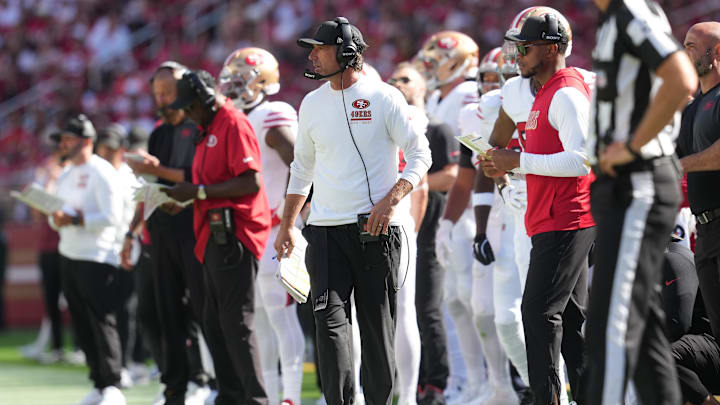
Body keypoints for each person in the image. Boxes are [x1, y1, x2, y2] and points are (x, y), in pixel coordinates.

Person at [273, 17, 431, 405]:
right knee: (328, 326)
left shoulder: (385, 96)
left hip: (376, 231)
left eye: (318, 48)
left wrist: (391, 201)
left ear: (346, 53)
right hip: (325, 232)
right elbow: (301, 169)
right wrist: (287, 225)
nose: (311, 56)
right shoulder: (310, 103)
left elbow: (419, 154)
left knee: (377, 331)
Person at [584, 0, 698, 403]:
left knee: (609, 324)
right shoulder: (614, 16)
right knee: (644, 329)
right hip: (627, 185)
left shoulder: (629, 8)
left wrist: (634, 145)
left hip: (640, 181)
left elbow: (681, 78)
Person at [481, 13, 596, 404]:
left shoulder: (565, 92)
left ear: (550, 49)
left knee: (538, 314)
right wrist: (505, 162)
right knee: (574, 322)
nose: (518, 55)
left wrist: (519, 162)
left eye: (526, 48)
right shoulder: (542, 91)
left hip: (566, 216)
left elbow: (582, 160)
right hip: (552, 215)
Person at [163, 69, 271, 405]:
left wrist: (197, 192)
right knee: (213, 321)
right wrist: (189, 197)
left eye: (191, 106)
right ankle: (230, 396)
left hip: (235, 233)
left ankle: (255, 400)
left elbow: (250, 181)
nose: (188, 113)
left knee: (236, 322)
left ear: (206, 100)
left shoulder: (233, 122)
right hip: (212, 233)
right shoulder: (207, 126)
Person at [218, 46, 305, 405]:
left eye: (241, 80)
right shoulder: (235, 118)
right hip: (250, 232)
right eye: (231, 81)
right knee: (261, 321)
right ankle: (268, 396)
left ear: (263, 81)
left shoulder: (273, 113)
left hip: (275, 227)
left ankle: (292, 397)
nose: (233, 88)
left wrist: (293, 219)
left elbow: (300, 166)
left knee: (280, 316)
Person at [122, 61, 211, 405]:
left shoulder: (199, 127)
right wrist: (133, 232)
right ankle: (175, 386)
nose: (162, 99)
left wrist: (157, 170)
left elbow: (196, 177)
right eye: (158, 93)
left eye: (168, 92)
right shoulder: (159, 132)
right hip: (160, 231)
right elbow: (153, 185)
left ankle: (205, 380)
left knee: (201, 310)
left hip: (194, 229)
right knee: (165, 311)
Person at [418, 30, 487, 404]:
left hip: (467, 206)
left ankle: (482, 381)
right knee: (451, 303)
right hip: (443, 212)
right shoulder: (437, 96)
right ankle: (464, 381)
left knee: (469, 301)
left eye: (437, 59)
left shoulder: (467, 95)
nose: (430, 66)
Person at [389, 63, 457, 405]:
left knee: (428, 307)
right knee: (404, 310)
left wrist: (414, 180)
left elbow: (452, 176)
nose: (397, 83)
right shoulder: (388, 125)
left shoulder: (438, 129)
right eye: (394, 79)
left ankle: (436, 383)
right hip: (402, 224)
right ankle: (411, 382)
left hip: (428, 226)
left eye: (405, 79)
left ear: (424, 88)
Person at [48, 114, 126, 405]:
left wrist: (76, 219)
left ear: (86, 142)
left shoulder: (103, 172)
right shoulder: (67, 173)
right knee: (81, 322)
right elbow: (58, 211)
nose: (64, 144)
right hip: (69, 253)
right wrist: (57, 219)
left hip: (96, 255)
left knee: (102, 321)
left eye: (69, 139)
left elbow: (112, 216)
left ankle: (114, 384)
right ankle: (98, 381)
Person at [461, 46, 521, 405]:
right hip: (502, 217)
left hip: (544, 210)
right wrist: (480, 229)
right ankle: (507, 387)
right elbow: (485, 170)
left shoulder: (556, 96)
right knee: (489, 311)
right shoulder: (482, 110)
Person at [677, 21, 720, 344]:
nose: (685, 52)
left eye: (692, 46)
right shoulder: (692, 109)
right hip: (704, 231)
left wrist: (677, 166)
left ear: (716, 51)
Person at [95, 123, 141, 389]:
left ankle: (124, 363)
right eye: (104, 147)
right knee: (103, 313)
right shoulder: (93, 175)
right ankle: (107, 367)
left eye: (111, 147)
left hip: (125, 251)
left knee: (125, 312)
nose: (107, 152)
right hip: (98, 252)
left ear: (121, 149)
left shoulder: (130, 175)